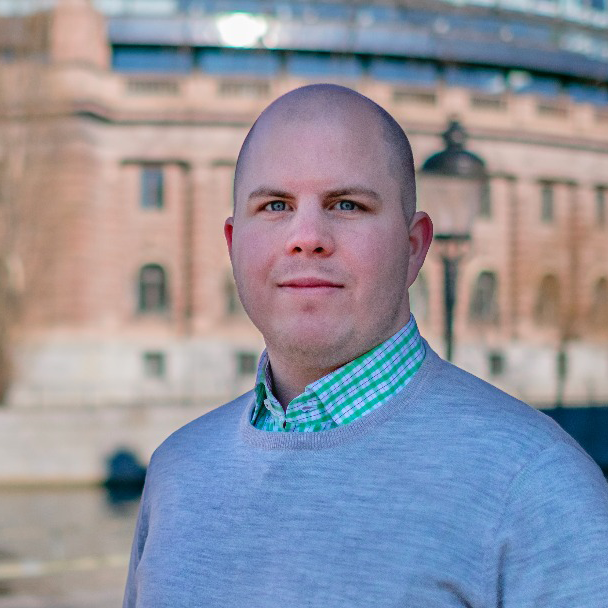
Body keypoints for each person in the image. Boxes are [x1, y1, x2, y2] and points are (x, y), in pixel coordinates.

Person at [123, 84, 608, 608]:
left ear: (413, 247)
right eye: (276, 204)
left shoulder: (539, 485)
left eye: (347, 204)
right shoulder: (176, 469)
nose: (307, 237)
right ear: (233, 243)